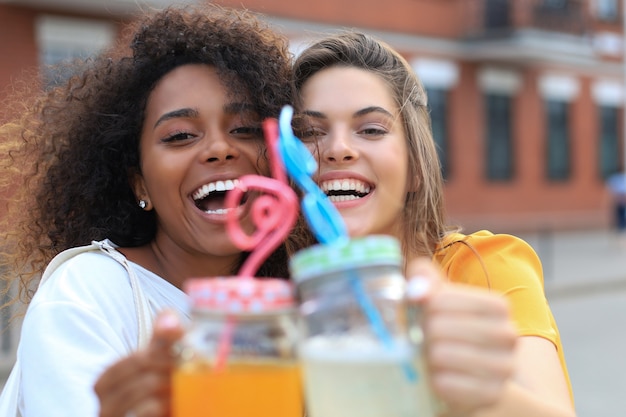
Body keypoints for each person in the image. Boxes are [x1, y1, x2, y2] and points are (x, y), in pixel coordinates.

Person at [0, 4, 299, 417]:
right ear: (140, 184)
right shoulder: (89, 291)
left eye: (244, 129)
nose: (219, 149)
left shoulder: (292, 305)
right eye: (180, 136)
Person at [291, 32, 576, 417]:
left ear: (415, 168)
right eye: (309, 132)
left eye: (371, 129)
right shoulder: (277, 301)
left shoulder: (482, 267)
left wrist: (483, 395)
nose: (337, 148)